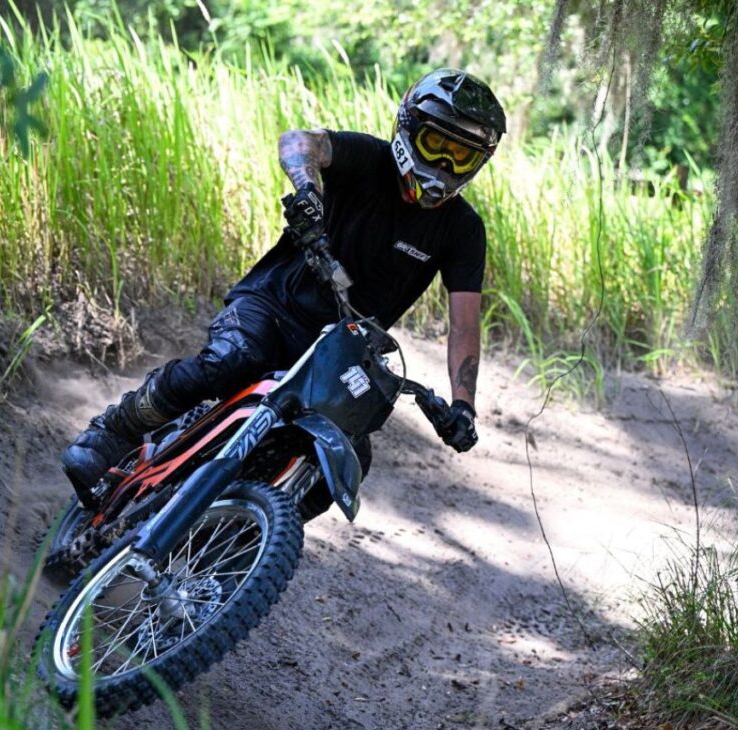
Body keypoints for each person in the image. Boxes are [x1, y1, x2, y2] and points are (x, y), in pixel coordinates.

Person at [62, 68, 506, 509]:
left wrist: (463, 406)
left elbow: (464, 326)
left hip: (337, 351)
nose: (445, 165)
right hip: (274, 304)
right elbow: (300, 142)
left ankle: (241, 538)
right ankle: (113, 430)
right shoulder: (369, 158)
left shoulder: (463, 229)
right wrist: (307, 192)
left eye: (461, 157)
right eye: (436, 145)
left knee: (345, 463)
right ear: (409, 130)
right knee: (230, 360)